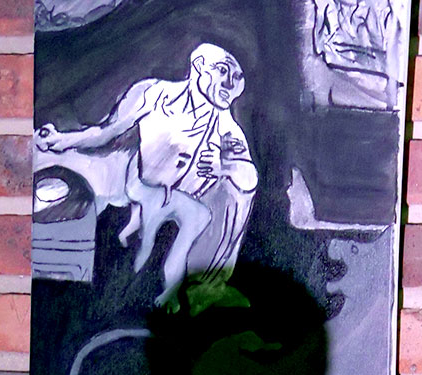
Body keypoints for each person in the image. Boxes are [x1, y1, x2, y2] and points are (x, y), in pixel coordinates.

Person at [35, 42, 258, 303]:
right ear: (199, 66)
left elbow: (249, 178)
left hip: (180, 204)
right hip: (135, 186)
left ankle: (186, 291)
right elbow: (107, 132)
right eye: (222, 71)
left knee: (207, 212)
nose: (231, 84)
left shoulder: (226, 127)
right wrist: (63, 140)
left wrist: (225, 167)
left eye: (237, 77)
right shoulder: (152, 93)